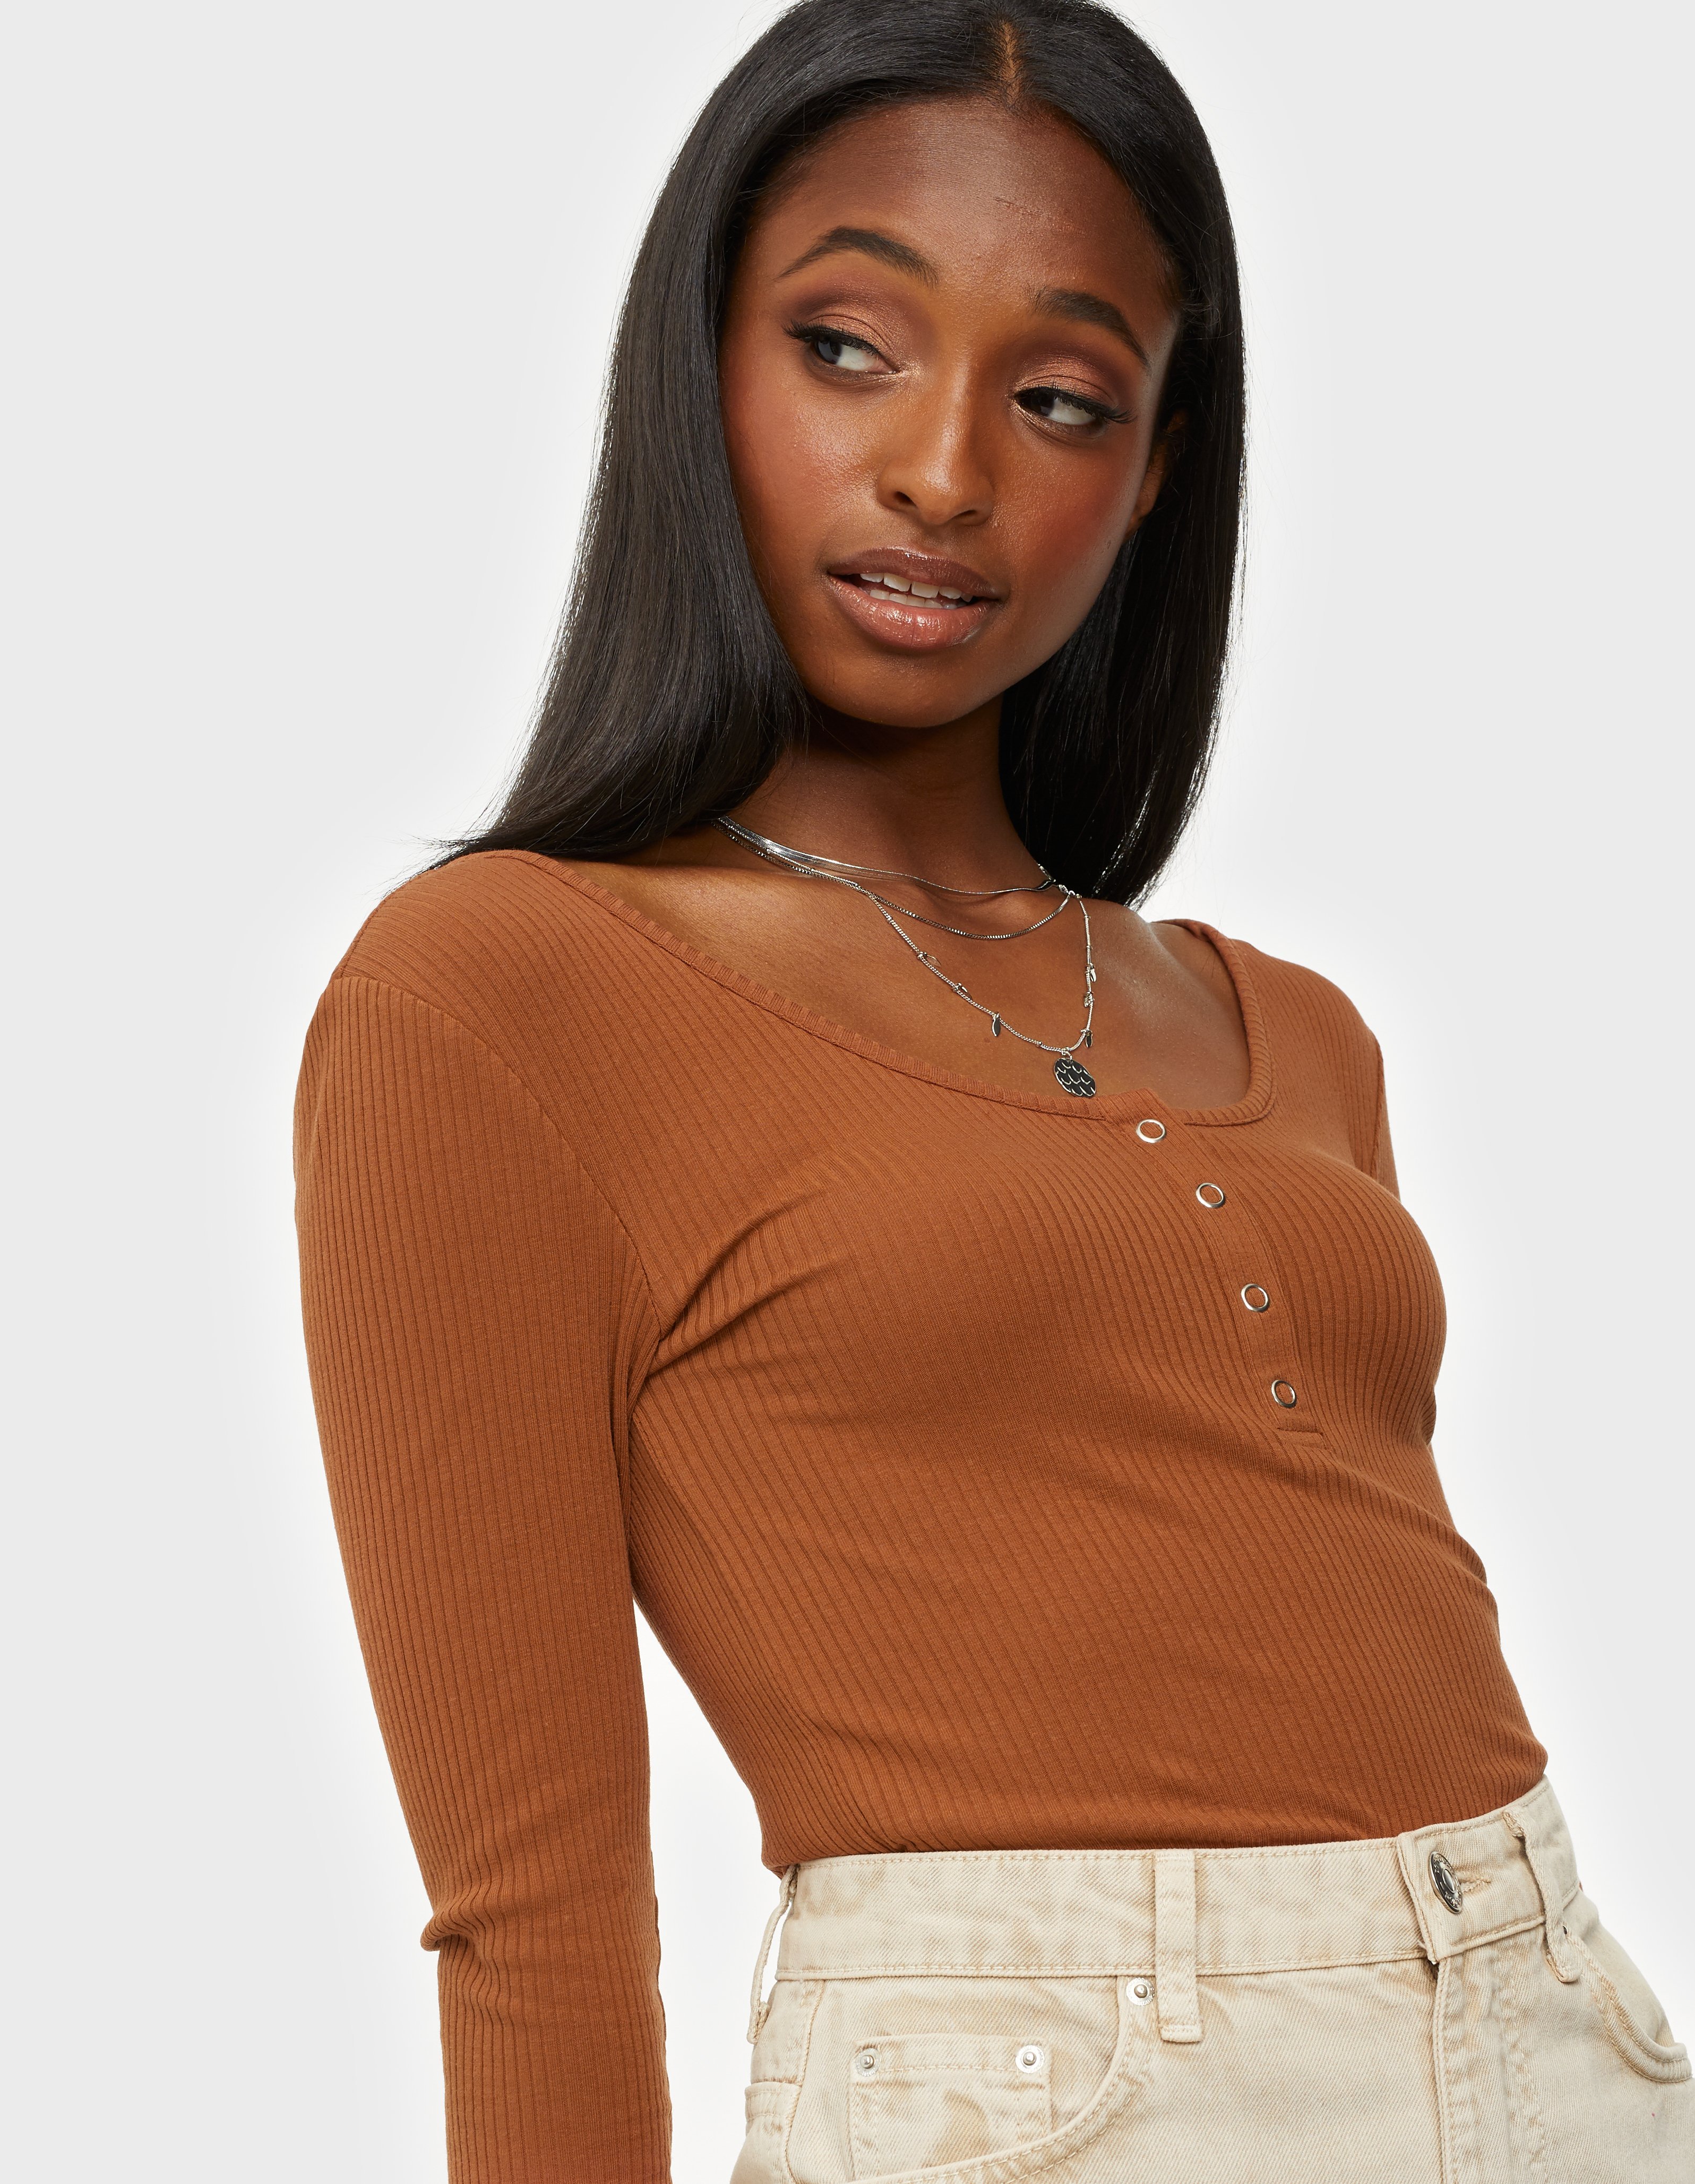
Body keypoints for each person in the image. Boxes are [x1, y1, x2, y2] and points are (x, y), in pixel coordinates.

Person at [292, 3, 1692, 2177]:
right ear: (695, 365)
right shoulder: (499, 991)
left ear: (1154, 469)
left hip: (1554, 2035)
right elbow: (534, 1909)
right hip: (1053, 2093)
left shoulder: (1296, 1027)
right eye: (846, 346)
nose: (944, 468)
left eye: (1056, 398)